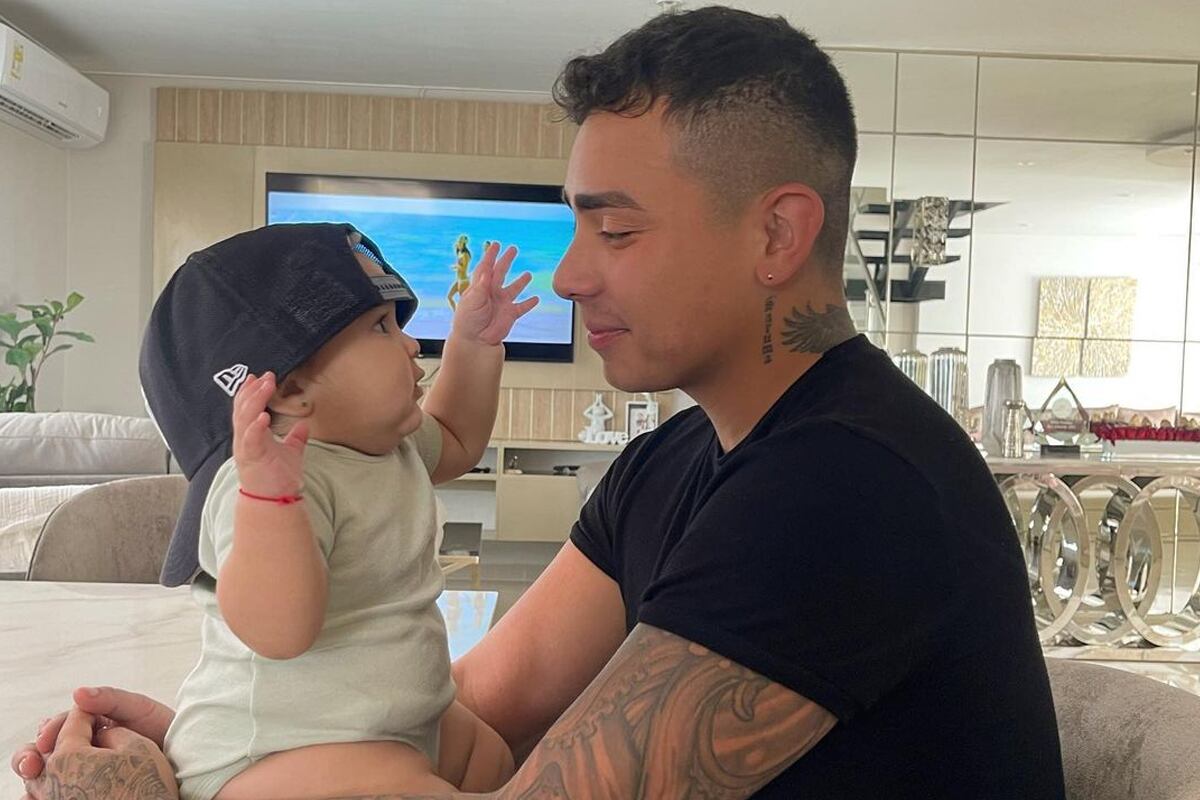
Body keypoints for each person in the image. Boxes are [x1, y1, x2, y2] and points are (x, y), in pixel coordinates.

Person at [12, 7, 1066, 799]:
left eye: (616, 231)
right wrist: (235, 747)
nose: (567, 276)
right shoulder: (670, 461)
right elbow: (473, 708)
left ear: (777, 234)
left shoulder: (849, 486)